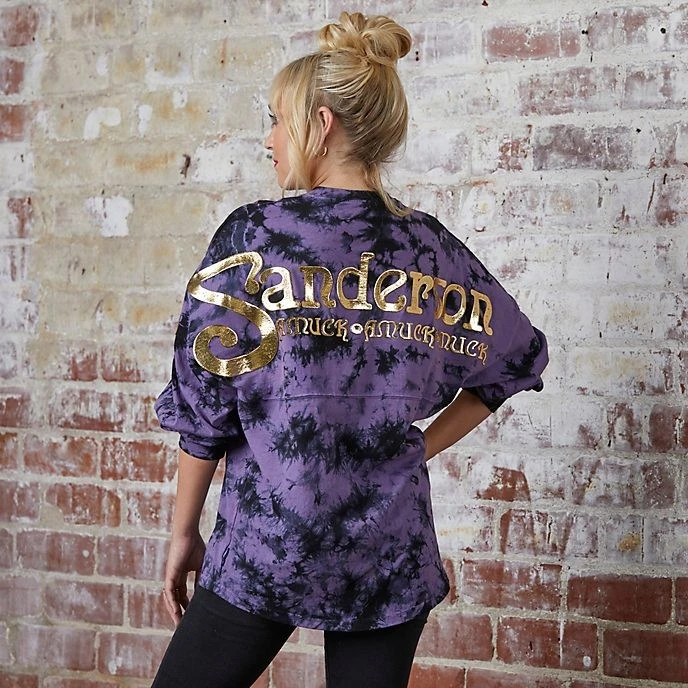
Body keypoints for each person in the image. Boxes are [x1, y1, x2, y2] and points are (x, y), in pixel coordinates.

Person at [151, 11, 548, 688]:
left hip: (265, 546)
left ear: (321, 123)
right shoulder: (429, 250)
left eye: (277, 120)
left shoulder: (253, 239)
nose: (269, 139)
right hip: (386, 553)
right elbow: (516, 359)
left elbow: (203, 406)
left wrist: (183, 533)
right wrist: (414, 451)